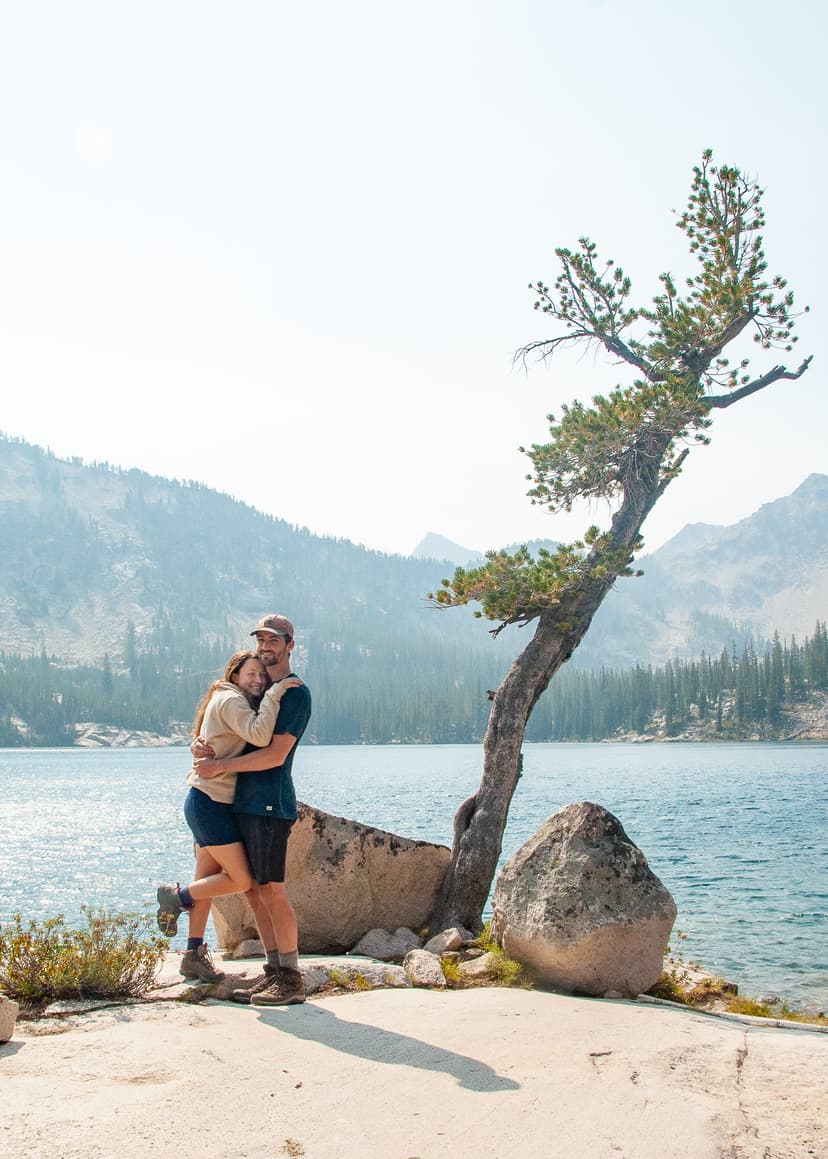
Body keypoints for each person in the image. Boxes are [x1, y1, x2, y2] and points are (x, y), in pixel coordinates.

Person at [157, 650, 300, 983]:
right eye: (251, 674)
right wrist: (277, 692)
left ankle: (193, 952)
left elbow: (212, 738)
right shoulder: (232, 702)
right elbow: (261, 736)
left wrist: (199, 747)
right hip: (211, 803)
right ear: (234, 675)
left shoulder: (228, 698)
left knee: (206, 878)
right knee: (241, 880)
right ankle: (175, 898)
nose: (258, 680)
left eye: (262, 676)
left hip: (208, 799)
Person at [193, 613, 312, 1006]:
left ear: (290, 645)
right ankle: (273, 970)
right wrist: (201, 746)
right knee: (255, 892)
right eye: (261, 639)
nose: (266, 645)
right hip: (241, 804)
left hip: (270, 804)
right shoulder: (258, 689)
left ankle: (292, 978)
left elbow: (275, 755)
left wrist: (220, 766)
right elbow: (228, 727)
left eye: (275, 640)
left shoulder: (294, 693)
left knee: (273, 891)